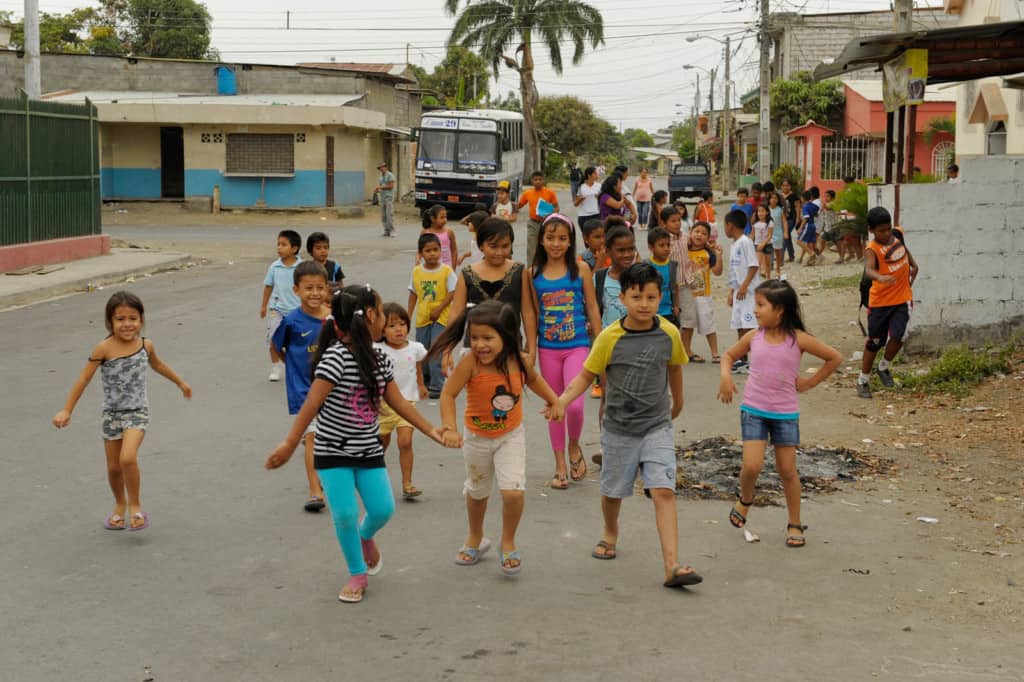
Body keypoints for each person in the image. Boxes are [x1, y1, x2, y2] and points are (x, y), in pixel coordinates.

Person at [265, 285, 452, 604]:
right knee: (346, 516)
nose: (384, 317)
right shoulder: (334, 359)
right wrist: (289, 443)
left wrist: (431, 430)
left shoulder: (379, 358)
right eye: (381, 312)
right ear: (370, 318)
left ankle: (365, 538)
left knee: (382, 509)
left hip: (367, 450)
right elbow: (311, 404)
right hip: (332, 452)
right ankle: (357, 573)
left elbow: (399, 402)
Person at [557, 263, 702, 589]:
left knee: (663, 491)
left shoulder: (669, 333)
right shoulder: (610, 337)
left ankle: (672, 565)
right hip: (619, 428)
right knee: (613, 491)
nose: (644, 304)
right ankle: (610, 531)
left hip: (657, 425)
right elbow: (585, 375)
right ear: (622, 297)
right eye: (636, 297)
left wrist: (677, 403)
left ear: (660, 297)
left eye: (651, 297)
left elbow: (676, 368)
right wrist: (562, 402)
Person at [430, 301, 563, 575]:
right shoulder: (470, 363)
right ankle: (475, 538)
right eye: (475, 337)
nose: (480, 345)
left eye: (488, 338)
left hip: (510, 437)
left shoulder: (520, 361)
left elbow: (535, 381)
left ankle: (508, 541)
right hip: (476, 438)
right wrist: (450, 427)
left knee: (513, 492)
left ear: (508, 336)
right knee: (478, 492)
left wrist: (554, 401)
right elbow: (447, 394)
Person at [717, 279, 842, 548]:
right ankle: (746, 498)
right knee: (751, 466)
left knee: (788, 471)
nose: (756, 311)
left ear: (780, 310)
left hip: (785, 414)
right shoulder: (754, 336)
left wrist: (810, 382)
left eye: (761, 305)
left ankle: (794, 522)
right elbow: (728, 355)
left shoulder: (798, 339)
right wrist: (726, 378)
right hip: (753, 410)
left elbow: (834, 358)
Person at [53, 292, 192, 531]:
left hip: (137, 411)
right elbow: (84, 379)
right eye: (120, 319)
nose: (127, 324)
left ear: (141, 320)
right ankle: (120, 504)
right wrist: (67, 410)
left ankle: (135, 507)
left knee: (127, 458)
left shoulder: (145, 345)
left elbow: (158, 365)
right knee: (114, 467)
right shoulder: (103, 348)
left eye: (133, 318)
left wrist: (180, 382)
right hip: (112, 414)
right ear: (110, 322)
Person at [530, 214, 603, 489]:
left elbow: (593, 308)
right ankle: (560, 464)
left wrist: (600, 342)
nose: (556, 244)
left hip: (578, 346)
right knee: (554, 406)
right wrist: (530, 350)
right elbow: (532, 314)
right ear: (541, 240)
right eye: (550, 238)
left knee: (573, 404)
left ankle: (574, 445)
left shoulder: (580, 269)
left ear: (570, 240)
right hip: (548, 349)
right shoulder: (533, 274)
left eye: (562, 238)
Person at [272, 261, 333, 512]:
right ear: (296, 290)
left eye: (320, 287)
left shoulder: (333, 318)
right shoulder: (291, 321)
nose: (315, 293)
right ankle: (315, 491)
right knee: (313, 437)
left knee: (329, 438)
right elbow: (277, 346)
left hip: (334, 390)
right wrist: (294, 369)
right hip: (305, 392)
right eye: (309, 288)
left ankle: (328, 479)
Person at [445, 217, 539, 373]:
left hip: (511, 347)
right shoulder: (467, 274)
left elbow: (528, 312)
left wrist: (532, 349)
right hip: (476, 348)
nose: (499, 252)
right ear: (481, 245)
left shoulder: (519, 271)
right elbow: (456, 312)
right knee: (478, 395)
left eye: (505, 246)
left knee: (509, 396)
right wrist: (447, 349)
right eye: (493, 246)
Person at [857, 207, 918, 400]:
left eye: (887, 229)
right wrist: (880, 277)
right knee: (875, 342)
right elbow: (869, 269)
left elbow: (904, 250)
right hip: (880, 303)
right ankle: (863, 380)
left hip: (902, 299)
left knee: (900, 335)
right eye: (880, 231)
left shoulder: (897, 234)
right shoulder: (872, 249)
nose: (885, 233)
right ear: (871, 230)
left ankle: (883, 368)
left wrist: (914, 265)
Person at [375, 303, 429, 499]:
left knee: (405, 442)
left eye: (402, 324)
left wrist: (421, 385)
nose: (398, 329)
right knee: (380, 445)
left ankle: (407, 483)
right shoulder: (377, 349)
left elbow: (417, 367)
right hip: (382, 406)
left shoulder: (415, 347)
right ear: (381, 329)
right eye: (391, 326)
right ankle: (374, 479)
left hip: (407, 403)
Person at [408, 233, 457, 399]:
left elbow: (453, 291)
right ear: (421, 253)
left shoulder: (446, 271)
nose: (432, 254)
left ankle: (438, 385)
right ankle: (426, 380)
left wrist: (439, 309)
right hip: (423, 317)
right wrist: (408, 315)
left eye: (436, 249)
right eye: (428, 251)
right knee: (422, 350)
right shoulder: (416, 272)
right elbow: (413, 293)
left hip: (442, 317)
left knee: (437, 348)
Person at [261, 229, 302, 382]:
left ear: (294, 248)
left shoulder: (301, 267)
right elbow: (268, 286)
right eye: (278, 244)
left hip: (297, 310)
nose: (279, 247)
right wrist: (264, 306)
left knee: (295, 342)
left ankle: (294, 366)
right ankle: (276, 367)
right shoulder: (274, 267)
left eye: (283, 244)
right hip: (276, 309)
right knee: (273, 339)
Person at [682, 220, 723, 363]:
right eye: (697, 231)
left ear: (708, 237)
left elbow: (717, 272)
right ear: (690, 233)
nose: (700, 235)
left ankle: (715, 352)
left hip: (703, 295)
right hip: (686, 294)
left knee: (708, 324)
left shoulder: (708, 253)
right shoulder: (683, 250)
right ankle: (685, 351)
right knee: (687, 325)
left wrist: (718, 255)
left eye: (704, 233)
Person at [725, 209, 760, 373]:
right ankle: (742, 360)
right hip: (739, 292)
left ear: (730, 226)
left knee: (749, 326)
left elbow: (753, 265)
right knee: (739, 326)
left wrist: (745, 285)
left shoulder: (746, 242)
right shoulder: (734, 245)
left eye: (725, 225)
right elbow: (734, 271)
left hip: (749, 293)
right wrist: (732, 291)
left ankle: (755, 361)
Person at [594, 226, 638, 328]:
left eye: (631, 249)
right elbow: (592, 308)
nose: (627, 255)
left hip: (635, 338)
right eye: (621, 250)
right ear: (608, 251)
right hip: (608, 339)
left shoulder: (640, 277)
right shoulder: (599, 277)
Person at [516, 171, 559, 267]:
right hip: (533, 224)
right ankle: (531, 269)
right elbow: (518, 206)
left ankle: (547, 267)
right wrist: (506, 204)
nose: (538, 181)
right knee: (532, 248)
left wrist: (550, 214)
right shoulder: (528, 193)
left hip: (546, 223)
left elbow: (557, 208)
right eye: (536, 180)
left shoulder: (550, 193)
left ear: (543, 180)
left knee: (546, 246)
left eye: (540, 179)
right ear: (532, 181)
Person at [646, 226, 680, 327]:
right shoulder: (646, 265)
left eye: (668, 245)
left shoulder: (672, 265)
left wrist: (676, 306)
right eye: (661, 245)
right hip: (651, 313)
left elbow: (675, 288)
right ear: (651, 247)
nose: (666, 248)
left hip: (668, 312)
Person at [419, 204, 458, 269]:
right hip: (430, 268)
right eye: (442, 217)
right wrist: (418, 259)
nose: (445, 220)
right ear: (432, 219)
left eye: (446, 217)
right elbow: (420, 250)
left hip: (446, 268)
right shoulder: (425, 232)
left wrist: (453, 268)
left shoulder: (449, 232)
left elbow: (454, 250)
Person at [574, 165, 601, 232]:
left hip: (596, 215)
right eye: (595, 173)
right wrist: (580, 199)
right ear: (589, 175)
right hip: (584, 217)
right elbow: (575, 204)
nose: (597, 175)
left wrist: (599, 197)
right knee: (587, 239)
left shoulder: (599, 186)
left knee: (596, 237)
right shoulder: (581, 187)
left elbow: (603, 200)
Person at [751, 203, 774, 279]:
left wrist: (763, 244)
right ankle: (757, 278)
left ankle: (768, 278)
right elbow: (753, 235)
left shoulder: (770, 223)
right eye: (759, 211)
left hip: (767, 245)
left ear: (767, 212)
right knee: (758, 262)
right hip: (757, 245)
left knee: (768, 263)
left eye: (762, 211)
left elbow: (770, 235)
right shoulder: (755, 223)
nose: (760, 213)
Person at [797, 189, 819, 265]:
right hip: (813, 225)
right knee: (809, 243)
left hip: (808, 225)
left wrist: (800, 228)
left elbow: (806, 218)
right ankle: (812, 261)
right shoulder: (813, 205)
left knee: (799, 241)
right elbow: (817, 212)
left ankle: (812, 254)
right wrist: (814, 213)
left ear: (803, 198)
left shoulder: (805, 207)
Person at [767, 192, 786, 279]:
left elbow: (784, 221)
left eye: (775, 198)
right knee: (768, 252)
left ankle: (778, 268)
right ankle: (768, 270)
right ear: (769, 199)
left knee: (778, 252)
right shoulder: (766, 209)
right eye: (772, 198)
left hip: (778, 233)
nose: (773, 200)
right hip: (768, 233)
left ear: (778, 200)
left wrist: (785, 232)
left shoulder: (780, 209)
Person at [375, 162, 397, 238]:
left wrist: (381, 187)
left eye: (382, 167)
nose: (381, 169)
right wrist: (378, 190)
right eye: (380, 168)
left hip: (389, 197)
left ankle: (392, 231)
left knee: (389, 215)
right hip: (382, 197)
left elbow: (391, 186)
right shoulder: (380, 176)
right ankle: (386, 231)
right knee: (383, 215)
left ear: (386, 167)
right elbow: (381, 186)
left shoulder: (390, 175)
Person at [780, 179, 798, 262]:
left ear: (790, 186)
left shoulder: (794, 196)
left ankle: (781, 257)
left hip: (791, 219)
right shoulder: (779, 196)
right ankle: (791, 256)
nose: (785, 187)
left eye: (787, 185)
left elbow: (798, 208)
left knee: (784, 236)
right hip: (782, 220)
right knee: (788, 237)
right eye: (783, 185)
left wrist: (797, 219)